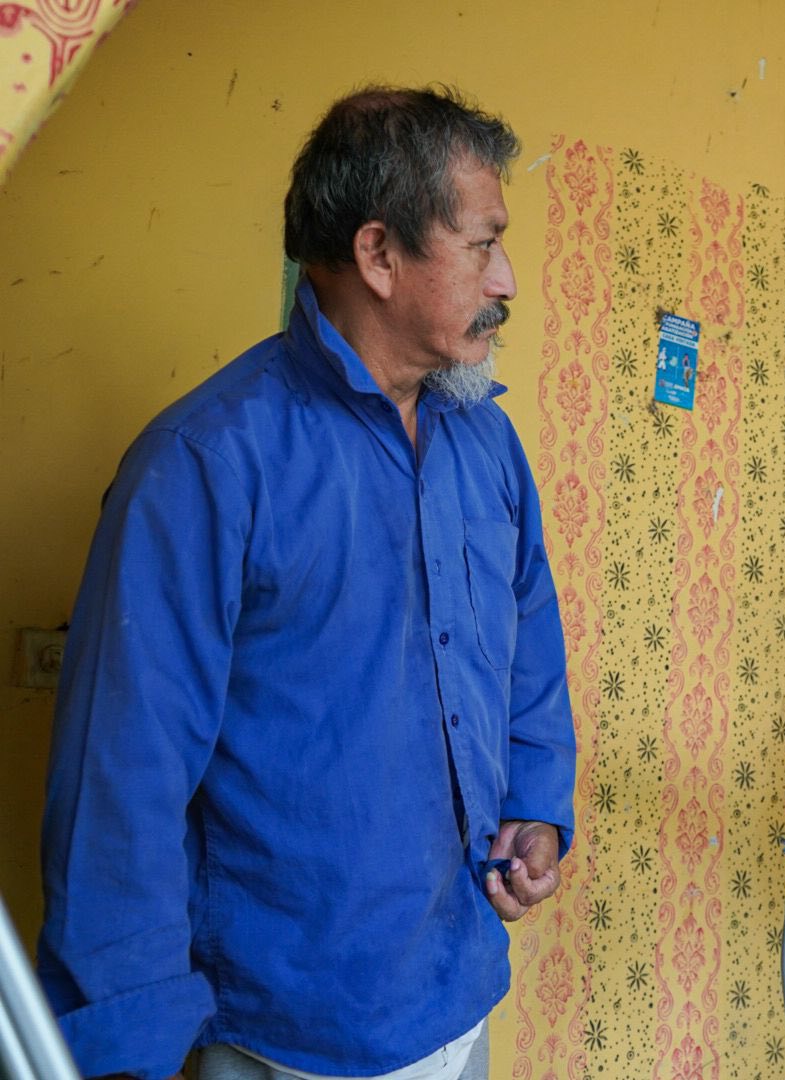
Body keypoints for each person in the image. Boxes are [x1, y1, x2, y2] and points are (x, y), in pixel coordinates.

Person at [37, 86, 576, 1080]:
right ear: (379, 255)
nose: (507, 279)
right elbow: (121, 785)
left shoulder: (486, 443)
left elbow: (530, 644)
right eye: (483, 244)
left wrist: (537, 803)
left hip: (458, 993)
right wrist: (127, 1053)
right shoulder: (206, 464)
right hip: (284, 1029)